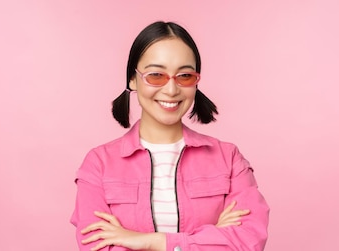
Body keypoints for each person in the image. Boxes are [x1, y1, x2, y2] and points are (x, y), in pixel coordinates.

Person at [70, 21, 270, 251]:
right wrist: (212, 236)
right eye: (156, 75)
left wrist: (151, 241)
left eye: (184, 76)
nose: (172, 90)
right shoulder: (99, 164)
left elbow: (247, 241)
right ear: (132, 79)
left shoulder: (229, 158)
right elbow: (97, 246)